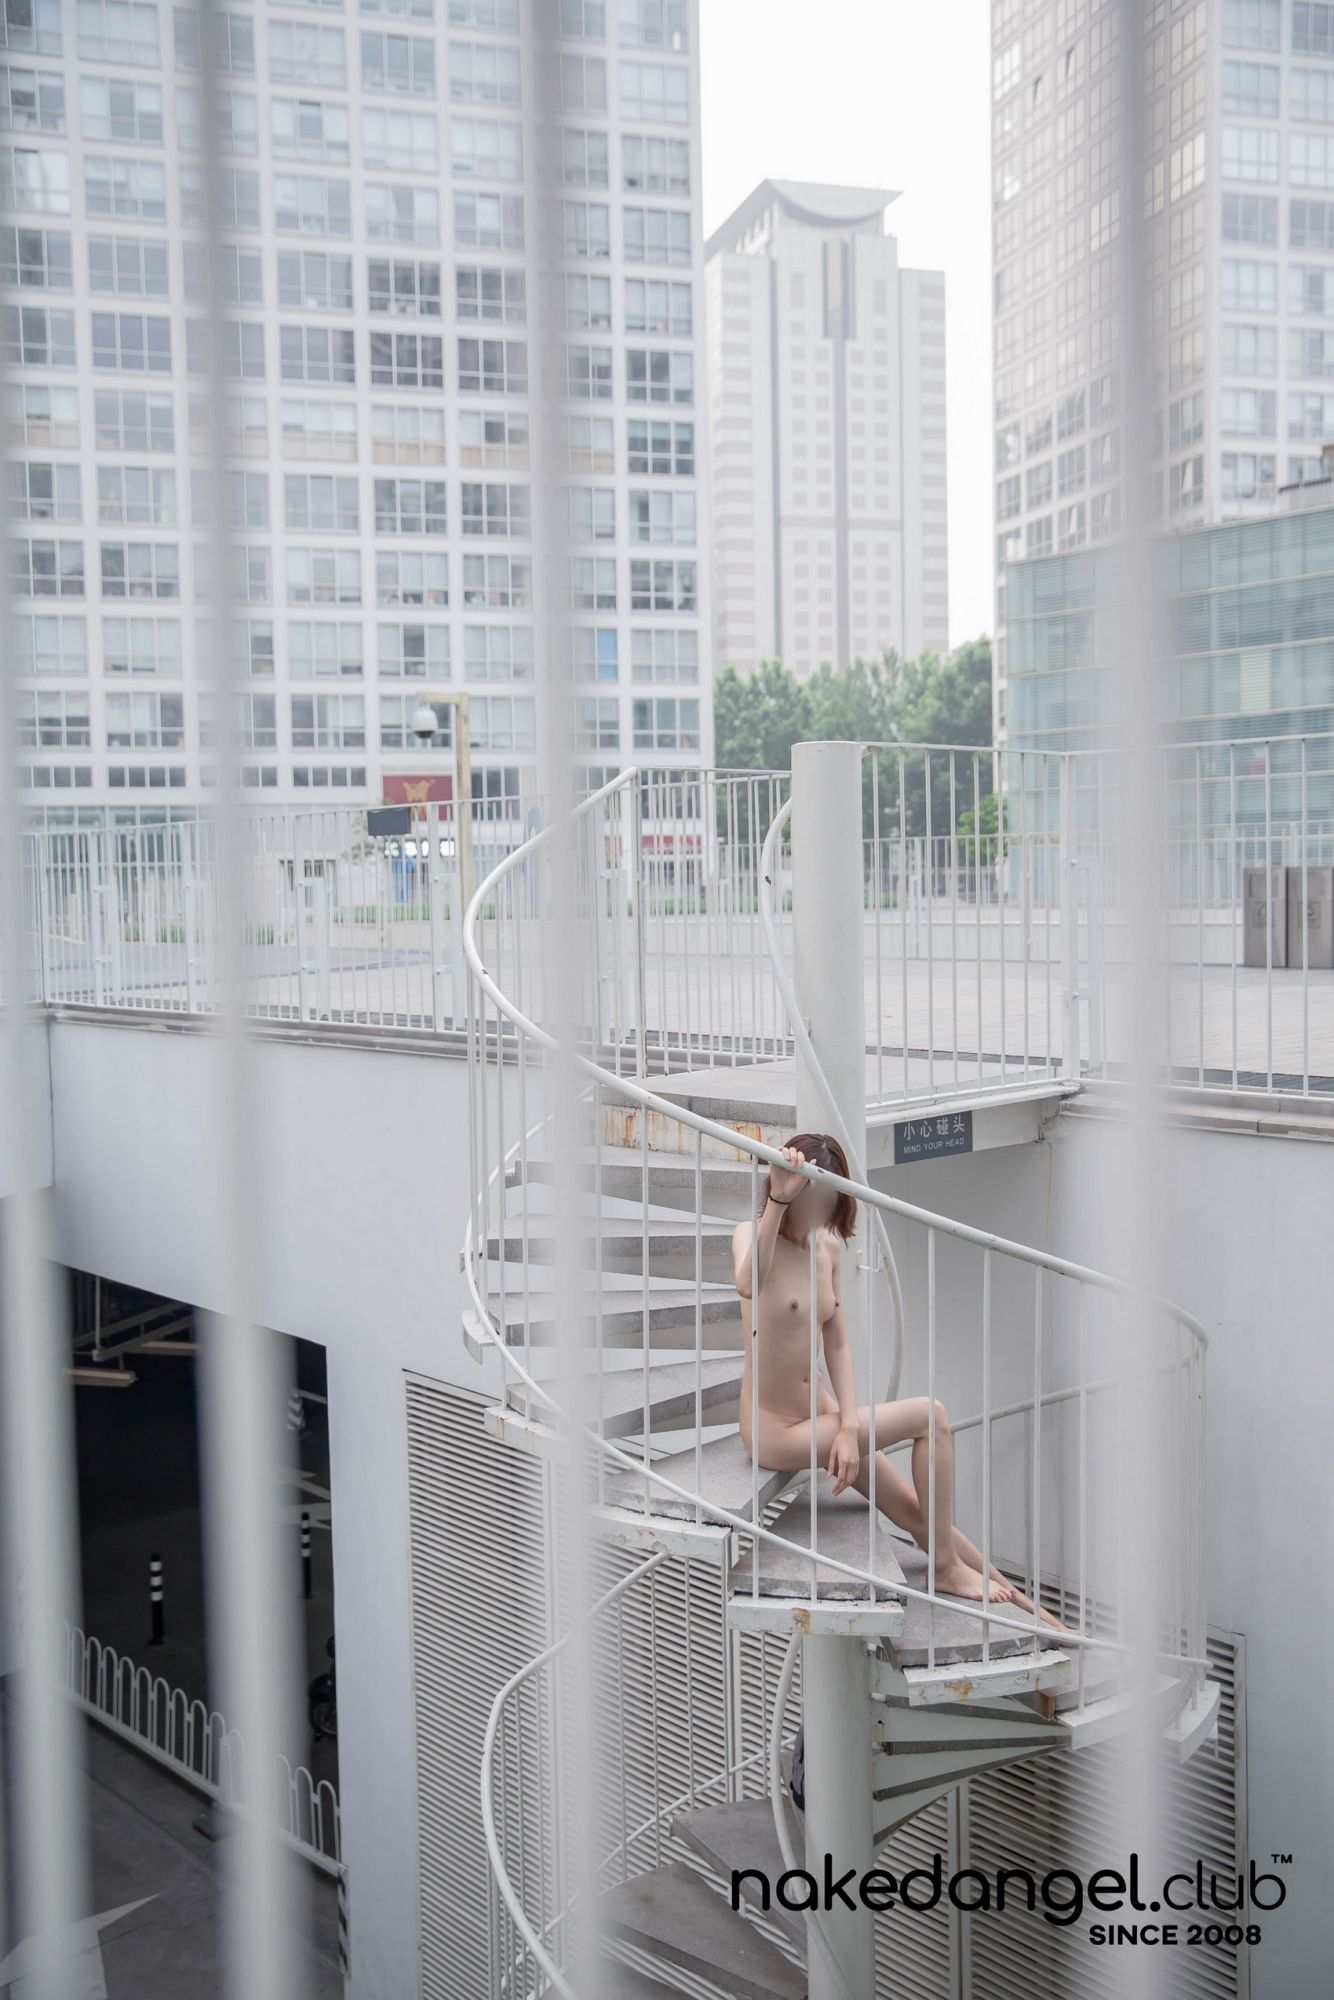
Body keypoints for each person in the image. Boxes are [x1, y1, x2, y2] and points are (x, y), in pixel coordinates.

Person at [732, 1132, 1068, 1629]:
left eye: (828, 1199)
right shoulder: (751, 1235)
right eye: (809, 1196)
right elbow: (748, 1283)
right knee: (930, 1418)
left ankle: (1029, 1607)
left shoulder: (827, 1248)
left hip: (822, 1412)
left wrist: (847, 1426)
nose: (818, 1209)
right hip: (774, 1430)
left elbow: (837, 1344)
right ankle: (947, 1569)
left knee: (913, 1509)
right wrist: (779, 1203)